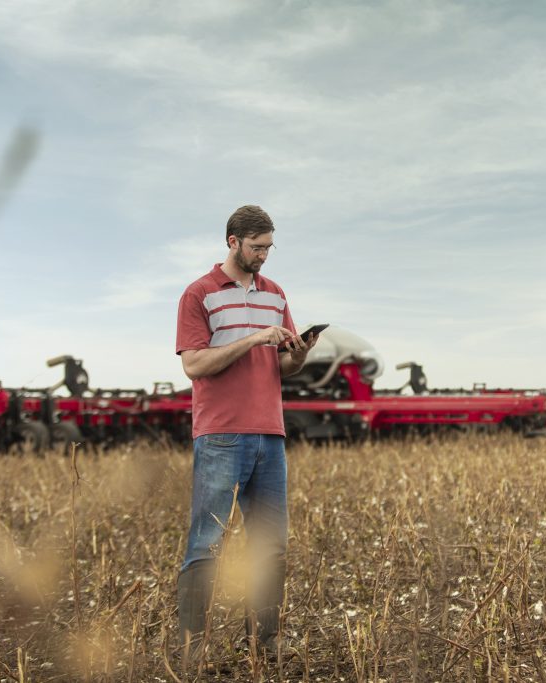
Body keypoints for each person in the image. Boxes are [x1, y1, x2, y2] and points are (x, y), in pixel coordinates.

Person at [174, 204, 317, 662]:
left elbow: (285, 367)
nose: (264, 256)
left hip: (270, 434)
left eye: (269, 248)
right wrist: (255, 338)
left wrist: (299, 352)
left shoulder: (275, 293)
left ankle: (266, 640)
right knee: (206, 542)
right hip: (220, 435)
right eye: (257, 247)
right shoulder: (199, 294)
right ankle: (193, 647)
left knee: (271, 544)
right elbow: (194, 364)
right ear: (232, 242)